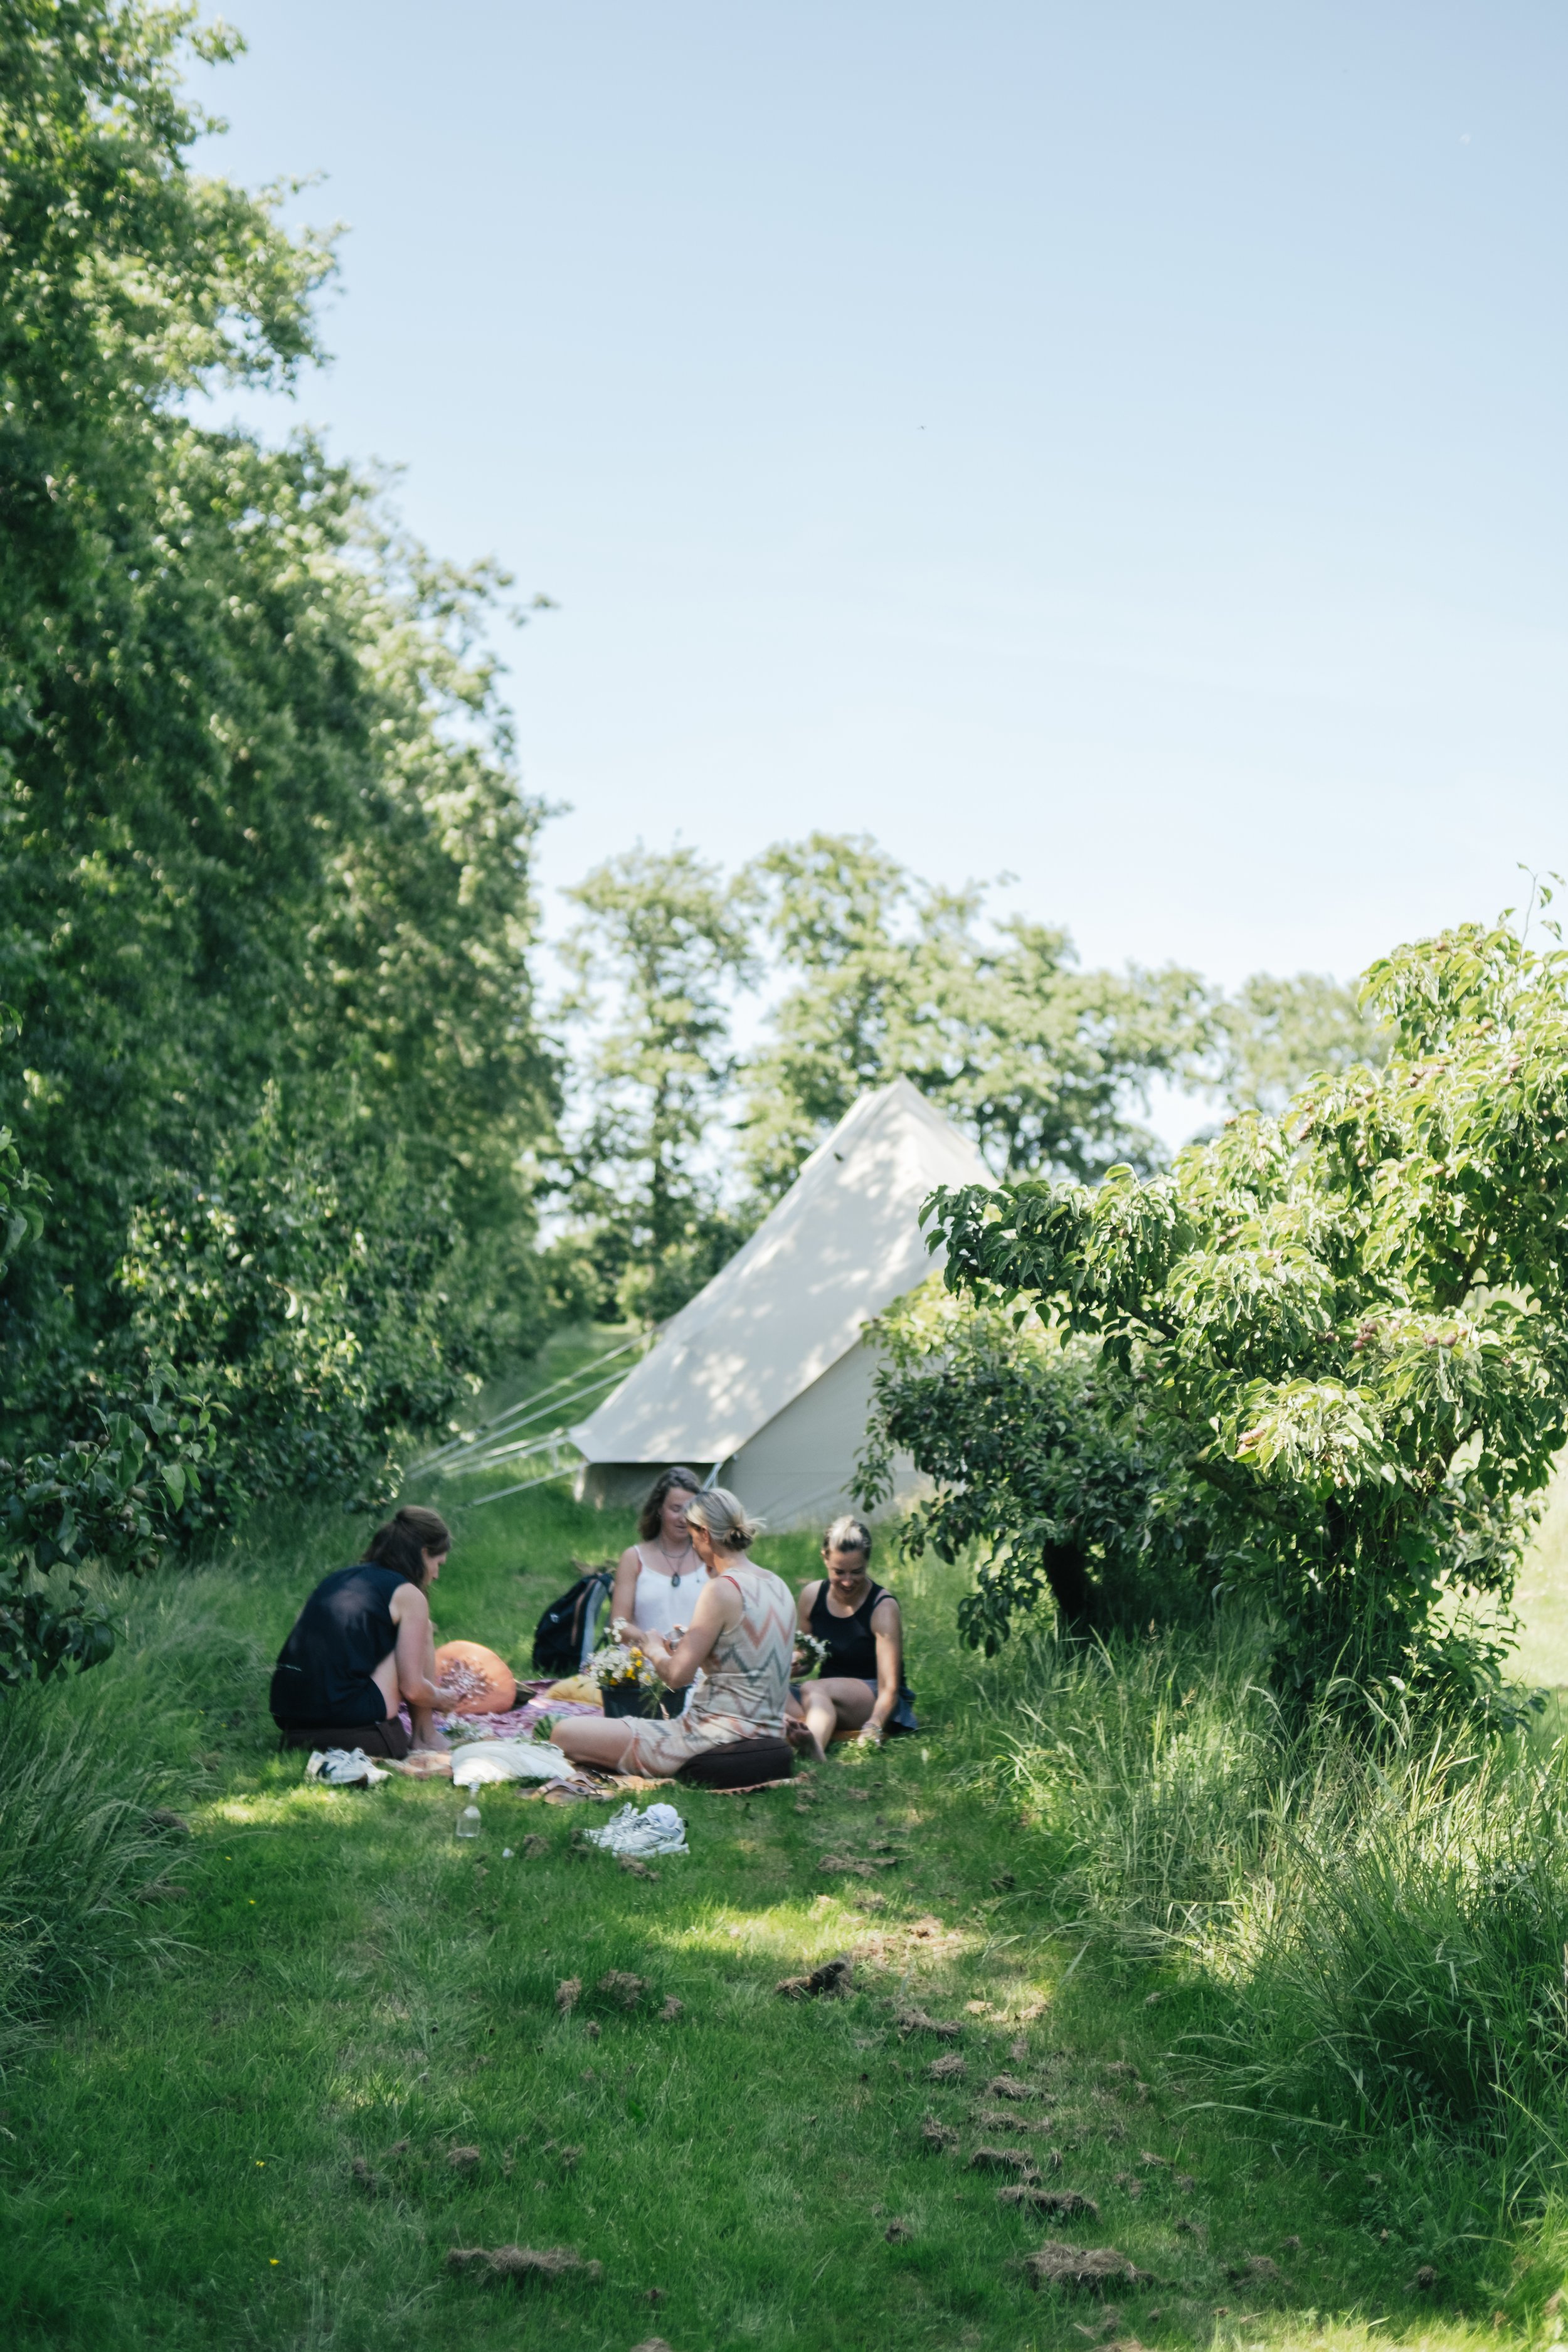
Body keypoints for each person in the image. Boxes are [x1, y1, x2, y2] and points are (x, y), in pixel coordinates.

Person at [553, 1488, 794, 1777]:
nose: (693, 1548)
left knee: (564, 1733)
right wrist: (689, 1644)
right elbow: (745, 1661)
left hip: (709, 1736)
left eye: (693, 1539)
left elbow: (677, 1678)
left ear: (704, 1534)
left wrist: (652, 1647)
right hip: (767, 1732)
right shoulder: (779, 1585)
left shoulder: (722, 1588)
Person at [269, 1505, 465, 1758]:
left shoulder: (339, 1579)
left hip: (289, 1714)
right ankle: (425, 1736)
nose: (437, 1574)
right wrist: (441, 1697)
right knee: (423, 1629)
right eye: (438, 1564)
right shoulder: (409, 1595)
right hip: (346, 1718)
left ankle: (422, 1735)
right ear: (424, 1553)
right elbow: (413, 1689)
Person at [788, 1514, 915, 1761]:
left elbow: (890, 1687)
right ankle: (806, 1729)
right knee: (767, 1690)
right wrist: (794, 1663)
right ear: (825, 1558)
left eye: (857, 1572)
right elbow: (807, 1658)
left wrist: (874, 1726)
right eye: (839, 1572)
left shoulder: (883, 1607)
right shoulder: (812, 1595)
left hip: (873, 1697)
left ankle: (812, 1751)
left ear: (867, 1562)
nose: (847, 1581)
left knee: (813, 1689)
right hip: (824, 1694)